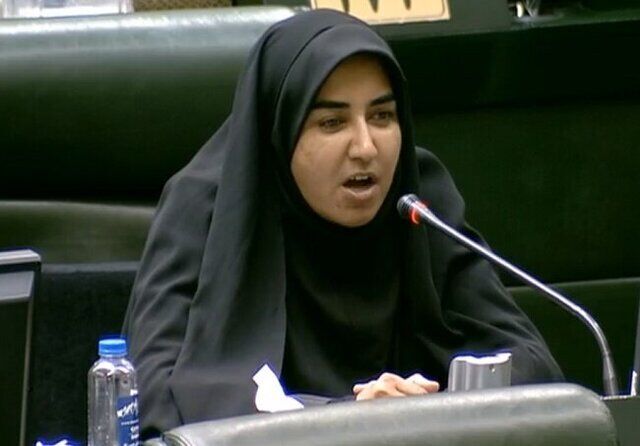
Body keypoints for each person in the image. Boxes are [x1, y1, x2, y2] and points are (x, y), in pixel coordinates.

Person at [122, 9, 563, 438]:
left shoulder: (417, 198)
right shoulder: (206, 206)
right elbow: (151, 402)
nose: (366, 147)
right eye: (332, 122)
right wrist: (346, 420)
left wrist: (432, 407)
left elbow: (533, 365)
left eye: (382, 116)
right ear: (280, 128)